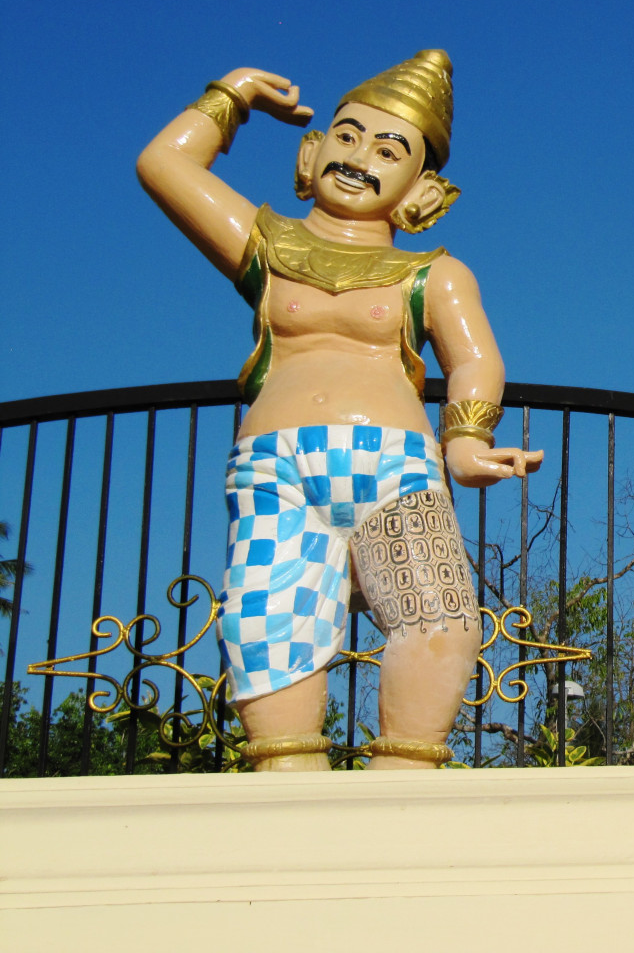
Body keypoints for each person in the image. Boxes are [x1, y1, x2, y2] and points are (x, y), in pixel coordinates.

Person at [137, 51, 542, 771]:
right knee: (268, 627)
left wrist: (466, 440)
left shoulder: (433, 274)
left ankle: (403, 784)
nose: (360, 158)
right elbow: (166, 167)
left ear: (423, 189)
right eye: (347, 136)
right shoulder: (267, 244)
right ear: (311, 150)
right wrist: (231, 96)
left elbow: (475, 358)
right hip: (276, 469)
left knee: (438, 619)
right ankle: (287, 783)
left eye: (389, 150)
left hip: (394, 469)